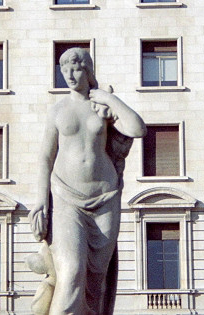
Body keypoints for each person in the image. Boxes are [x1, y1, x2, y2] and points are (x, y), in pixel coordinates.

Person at [29, 47, 147, 315]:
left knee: (96, 280)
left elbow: (138, 129)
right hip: (67, 198)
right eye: (64, 69)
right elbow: (45, 157)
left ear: (88, 70)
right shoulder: (57, 110)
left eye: (76, 68)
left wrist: (108, 98)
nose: (70, 75)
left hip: (105, 198)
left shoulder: (102, 107)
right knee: (70, 270)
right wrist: (40, 201)